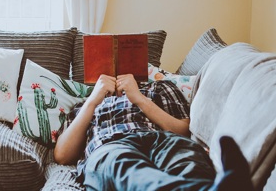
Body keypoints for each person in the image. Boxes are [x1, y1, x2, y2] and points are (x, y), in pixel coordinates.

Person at [54, 74, 254, 191]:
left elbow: (184, 131)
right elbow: (62, 155)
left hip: (163, 140)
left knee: (188, 160)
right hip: (110, 145)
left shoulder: (161, 87)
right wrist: (92, 100)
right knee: (125, 167)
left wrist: (139, 97)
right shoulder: (82, 106)